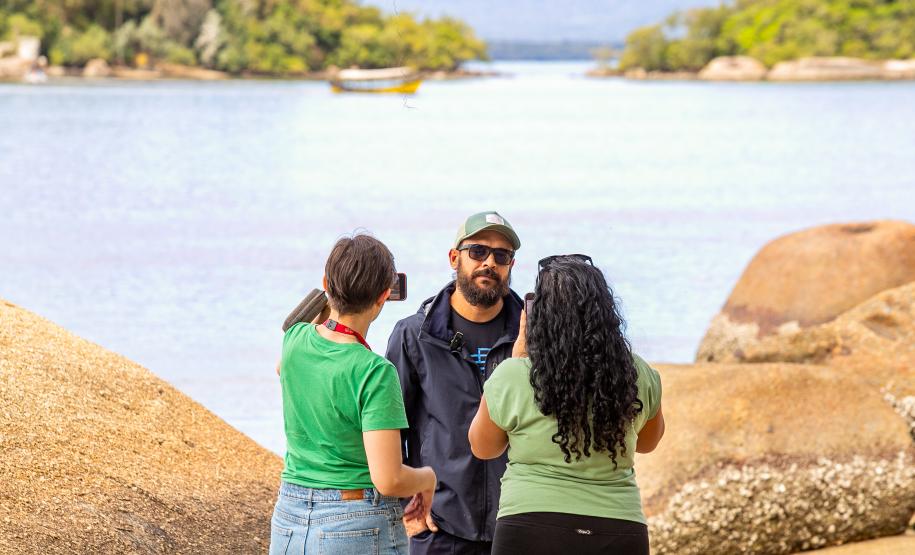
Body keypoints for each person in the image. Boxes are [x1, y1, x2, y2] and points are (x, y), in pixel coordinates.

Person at [468, 255, 665, 555]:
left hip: (530, 525)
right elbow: (648, 442)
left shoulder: (514, 375)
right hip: (617, 526)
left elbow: (483, 447)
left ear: (540, 316)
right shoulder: (637, 374)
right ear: (605, 313)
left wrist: (518, 360)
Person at [270, 234, 437, 555]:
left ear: (325, 284)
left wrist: (327, 304)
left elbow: (281, 368)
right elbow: (388, 479)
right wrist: (427, 478)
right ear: (384, 297)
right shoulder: (374, 371)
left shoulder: (295, 340)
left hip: (290, 516)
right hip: (355, 521)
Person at [385, 211, 523, 555]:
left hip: (517, 524)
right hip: (437, 529)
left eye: (501, 256)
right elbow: (387, 430)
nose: (489, 262)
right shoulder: (414, 335)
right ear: (454, 257)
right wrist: (405, 505)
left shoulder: (534, 336)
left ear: (510, 265)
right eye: (478, 251)